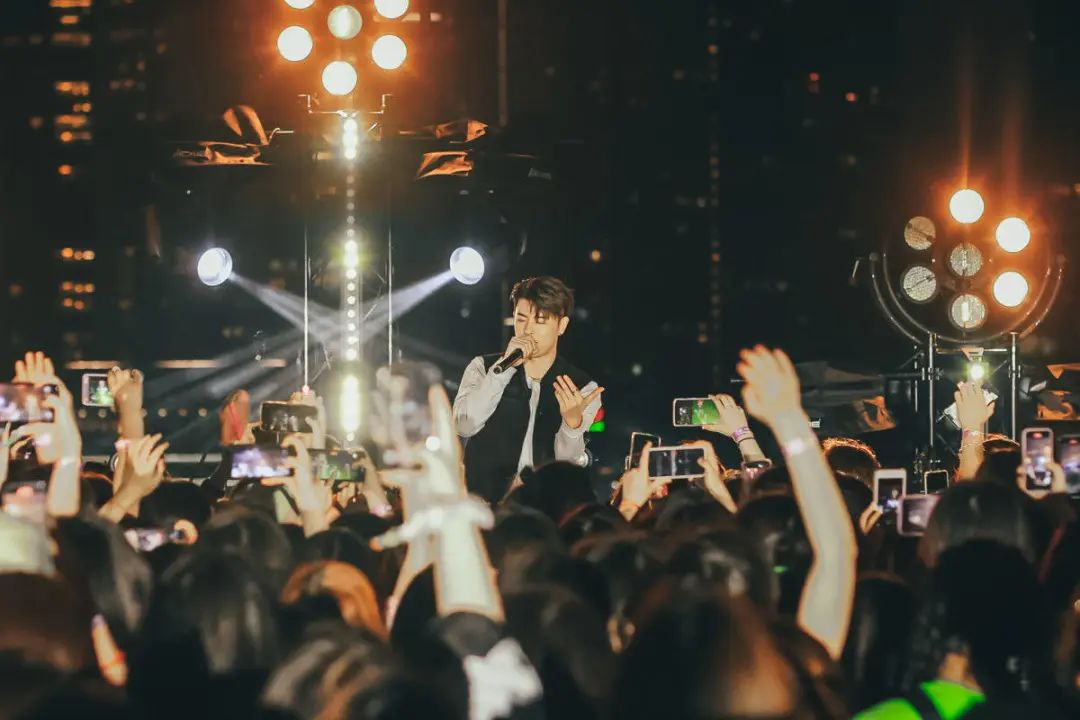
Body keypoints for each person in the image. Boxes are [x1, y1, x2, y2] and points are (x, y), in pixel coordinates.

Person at [453, 277, 604, 504]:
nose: (527, 330)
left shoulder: (582, 387)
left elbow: (567, 466)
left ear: (561, 326)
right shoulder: (483, 368)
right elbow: (464, 425)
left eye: (540, 320)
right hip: (482, 505)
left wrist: (572, 424)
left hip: (544, 511)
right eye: (521, 319)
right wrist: (501, 371)